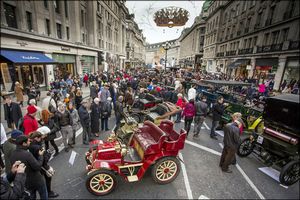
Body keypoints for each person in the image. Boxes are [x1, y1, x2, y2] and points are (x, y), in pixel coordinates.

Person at [10, 135, 48, 200]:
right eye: (28, 141)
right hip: (37, 180)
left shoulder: (12, 155)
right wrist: (40, 156)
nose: (29, 142)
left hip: (26, 182)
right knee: (43, 195)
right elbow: (37, 167)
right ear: (24, 143)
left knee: (32, 196)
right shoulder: (27, 154)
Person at [29, 130, 59, 198]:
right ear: (36, 138)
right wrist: (48, 154)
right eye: (40, 138)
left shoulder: (31, 144)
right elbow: (44, 160)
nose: (41, 139)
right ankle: (49, 192)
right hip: (41, 166)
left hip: (35, 165)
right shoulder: (37, 147)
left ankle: (47, 192)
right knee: (48, 177)